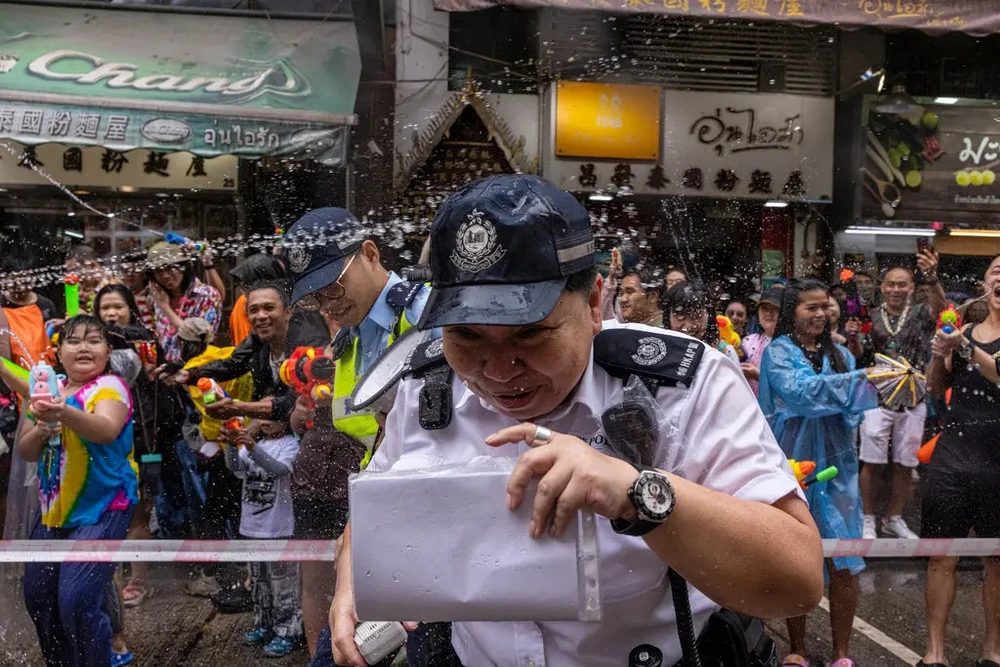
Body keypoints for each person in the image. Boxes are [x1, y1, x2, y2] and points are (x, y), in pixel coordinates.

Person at [323, 175, 823, 667]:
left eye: (530, 335)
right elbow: (380, 511)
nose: (497, 371)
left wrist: (636, 494)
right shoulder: (427, 388)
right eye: (466, 337)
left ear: (591, 304)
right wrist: (353, 576)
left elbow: (796, 583)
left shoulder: (681, 387)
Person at [758, 279, 879, 667]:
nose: (820, 314)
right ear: (792, 310)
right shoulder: (777, 352)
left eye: (825, 306)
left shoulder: (842, 354)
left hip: (838, 468)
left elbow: (855, 411)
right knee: (797, 557)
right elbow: (801, 394)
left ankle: (842, 654)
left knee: (844, 558)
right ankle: (797, 649)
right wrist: (862, 383)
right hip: (794, 464)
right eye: (810, 307)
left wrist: (880, 386)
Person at [19, 315, 138, 667]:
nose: (83, 347)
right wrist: (43, 427)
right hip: (54, 512)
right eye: (73, 341)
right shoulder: (46, 387)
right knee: (38, 597)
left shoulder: (110, 386)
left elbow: (105, 428)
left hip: (105, 507)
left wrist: (63, 413)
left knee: (77, 598)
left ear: (108, 350)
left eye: (93, 340)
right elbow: (26, 451)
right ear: (58, 352)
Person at [919, 253, 1000, 667]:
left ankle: (994, 651)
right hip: (953, 455)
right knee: (940, 554)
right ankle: (935, 652)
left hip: (998, 460)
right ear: (985, 284)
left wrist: (964, 347)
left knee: (997, 558)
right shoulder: (962, 329)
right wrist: (937, 353)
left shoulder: (965, 339)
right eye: (995, 269)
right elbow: (934, 388)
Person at [858, 254, 945, 540]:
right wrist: (854, 339)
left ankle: (893, 518)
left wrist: (932, 278)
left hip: (913, 397)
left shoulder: (920, 313)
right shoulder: (868, 316)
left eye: (902, 285)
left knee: (906, 462)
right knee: (872, 461)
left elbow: (941, 310)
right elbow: (859, 355)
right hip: (875, 397)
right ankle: (868, 518)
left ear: (910, 287)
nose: (896, 289)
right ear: (882, 287)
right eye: (891, 284)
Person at [225, 420, 304, 658]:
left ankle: (287, 629)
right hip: (252, 526)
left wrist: (252, 448)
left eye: (271, 416)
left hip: (279, 526)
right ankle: (264, 624)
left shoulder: (291, 445)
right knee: (259, 581)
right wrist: (230, 444)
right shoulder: (255, 443)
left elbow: (278, 470)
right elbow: (235, 468)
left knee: (284, 583)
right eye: (262, 418)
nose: (265, 423)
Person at [146, 241, 222, 364]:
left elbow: (198, 337)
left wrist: (166, 308)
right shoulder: (158, 297)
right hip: (168, 374)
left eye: (170, 267)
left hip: (199, 372)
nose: (165, 275)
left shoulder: (207, 295)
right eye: (158, 270)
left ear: (184, 267)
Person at [663, 281, 740, 364]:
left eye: (697, 315)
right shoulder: (657, 348)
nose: (688, 325)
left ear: (709, 315)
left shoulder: (725, 352)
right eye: (680, 315)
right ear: (667, 316)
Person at [740, 287, 781, 395]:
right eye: (765, 309)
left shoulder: (790, 344)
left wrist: (759, 376)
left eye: (775, 309)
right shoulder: (747, 341)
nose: (769, 313)